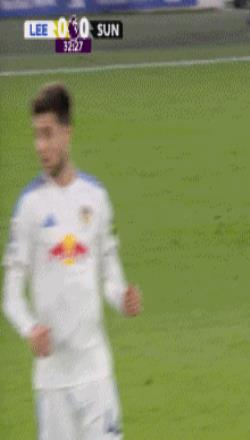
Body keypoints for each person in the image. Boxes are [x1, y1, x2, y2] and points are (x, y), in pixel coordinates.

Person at [2, 83, 142, 439]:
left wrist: (123, 298)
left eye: (48, 134)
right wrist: (30, 328)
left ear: (68, 132)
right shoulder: (29, 207)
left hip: (96, 375)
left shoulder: (95, 198)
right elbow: (11, 296)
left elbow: (109, 278)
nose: (41, 146)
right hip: (52, 383)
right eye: (36, 135)